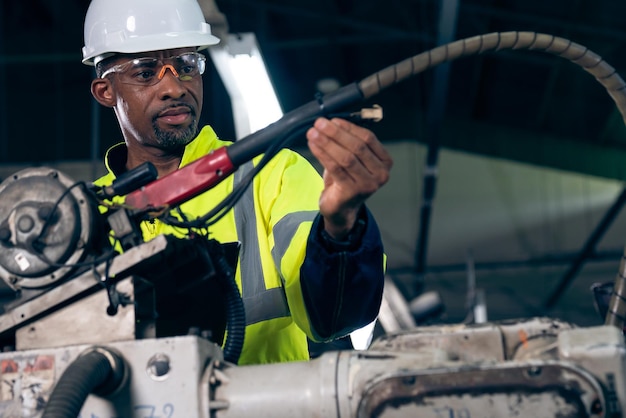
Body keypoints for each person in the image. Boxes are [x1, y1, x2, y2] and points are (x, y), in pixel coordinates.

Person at [82, 0, 393, 365]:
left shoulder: (271, 173)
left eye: (185, 66)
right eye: (146, 72)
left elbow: (334, 319)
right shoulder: (86, 217)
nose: (174, 87)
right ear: (106, 92)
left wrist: (341, 227)